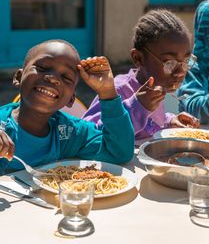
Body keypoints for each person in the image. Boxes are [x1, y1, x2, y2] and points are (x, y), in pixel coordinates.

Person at [0, 39, 134, 175]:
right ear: (19, 77)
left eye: (66, 77)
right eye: (42, 68)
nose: (53, 78)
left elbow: (119, 152)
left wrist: (107, 92)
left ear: (71, 99)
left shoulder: (70, 132)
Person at [82, 9, 200, 139]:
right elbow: (88, 135)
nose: (180, 72)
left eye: (186, 61)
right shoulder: (115, 91)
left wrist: (169, 121)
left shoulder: (155, 87)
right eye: (169, 63)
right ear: (138, 58)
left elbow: (149, 125)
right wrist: (138, 106)